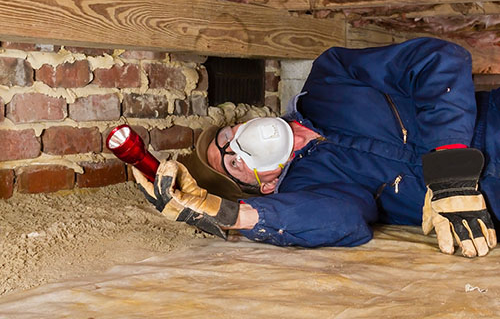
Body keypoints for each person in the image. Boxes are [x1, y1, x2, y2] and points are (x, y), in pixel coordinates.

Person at [133, 37, 500, 258]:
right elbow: (342, 222)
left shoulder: (331, 77)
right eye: (231, 162)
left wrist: (451, 170)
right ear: (266, 186)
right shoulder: (310, 189)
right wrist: (231, 216)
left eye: (227, 136)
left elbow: (439, 60)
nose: (236, 145)